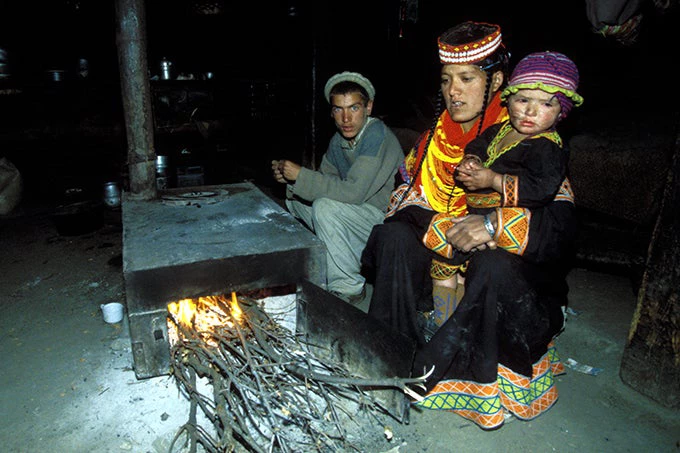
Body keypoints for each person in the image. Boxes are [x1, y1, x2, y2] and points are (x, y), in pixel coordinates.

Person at [410, 51, 583, 429]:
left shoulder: (549, 149)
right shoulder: (500, 131)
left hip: (525, 266)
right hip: (483, 226)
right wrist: (471, 162)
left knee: (489, 269)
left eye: (545, 104)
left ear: (561, 111)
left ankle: (479, 370)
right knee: (444, 251)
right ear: (508, 99)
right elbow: (478, 145)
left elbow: (540, 193)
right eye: (523, 100)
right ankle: (444, 324)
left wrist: (490, 185)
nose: (530, 112)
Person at [361, 21, 510, 345]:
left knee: (489, 261)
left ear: (496, 81)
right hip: (436, 249)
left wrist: (488, 227)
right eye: (446, 80)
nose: (453, 91)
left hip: (489, 254)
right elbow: (402, 195)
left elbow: (547, 216)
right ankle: (390, 344)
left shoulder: (518, 138)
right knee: (392, 236)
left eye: (466, 78)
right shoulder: (433, 139)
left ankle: (457, 345)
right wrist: (435, 223)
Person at [272, 71, 403, 304]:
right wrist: (291, 181)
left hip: (387, 223)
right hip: (359, 214)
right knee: (296, 202)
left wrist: (301, 176)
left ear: (368, 107)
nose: (346, 118)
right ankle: (335, 260)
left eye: (354, 108)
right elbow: (325, 180)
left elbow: (352, 192)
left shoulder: (376, 135)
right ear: (331, 112)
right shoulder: (338, 140)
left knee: (324, 207)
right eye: (338, 109)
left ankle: (349, 286)